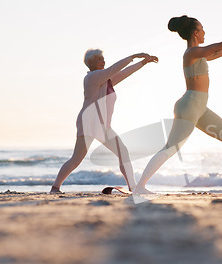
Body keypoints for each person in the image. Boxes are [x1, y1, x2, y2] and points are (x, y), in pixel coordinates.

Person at [133, 16, 222, 194]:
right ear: (196, 32)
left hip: (199, 108)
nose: (205, 32)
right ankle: (140, 187)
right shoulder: (191, 53)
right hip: (189, 106)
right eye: (202, 29)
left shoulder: (199, 54)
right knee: (171, 148)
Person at [50, 49, 158, 194]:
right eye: (99, 59)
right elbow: (114, 69)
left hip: (102, 126)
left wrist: (143, 62)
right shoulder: (92, 77)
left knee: (123, 152)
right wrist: (133, 56)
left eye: (103, 59)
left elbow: (124, 73)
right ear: (91, 63)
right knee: (77, 158)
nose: (103, 61)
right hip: (88, 123)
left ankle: (134, 187)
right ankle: (55, 187)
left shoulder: (106, 80)